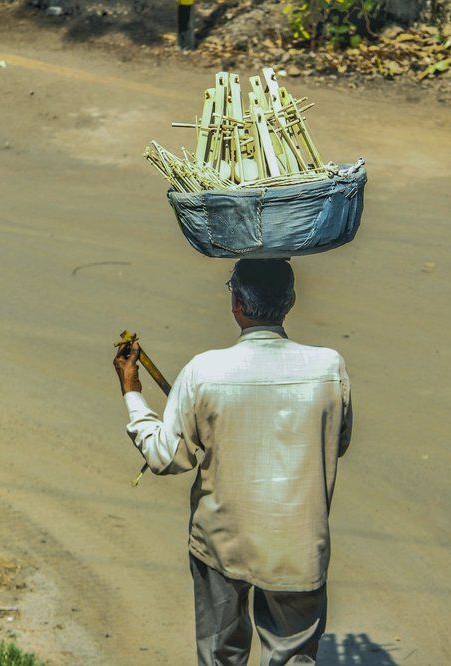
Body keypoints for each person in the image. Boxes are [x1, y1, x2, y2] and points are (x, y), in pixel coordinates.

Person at [112, 258, 353, 666]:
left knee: (220, 656)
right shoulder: (329, 368)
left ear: (236, 305)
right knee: (294, 658)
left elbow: (165, 456)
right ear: (290, 302)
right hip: (297, 547)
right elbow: (337, 442)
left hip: (221, 544)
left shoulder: (204, 371)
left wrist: (132, 391)